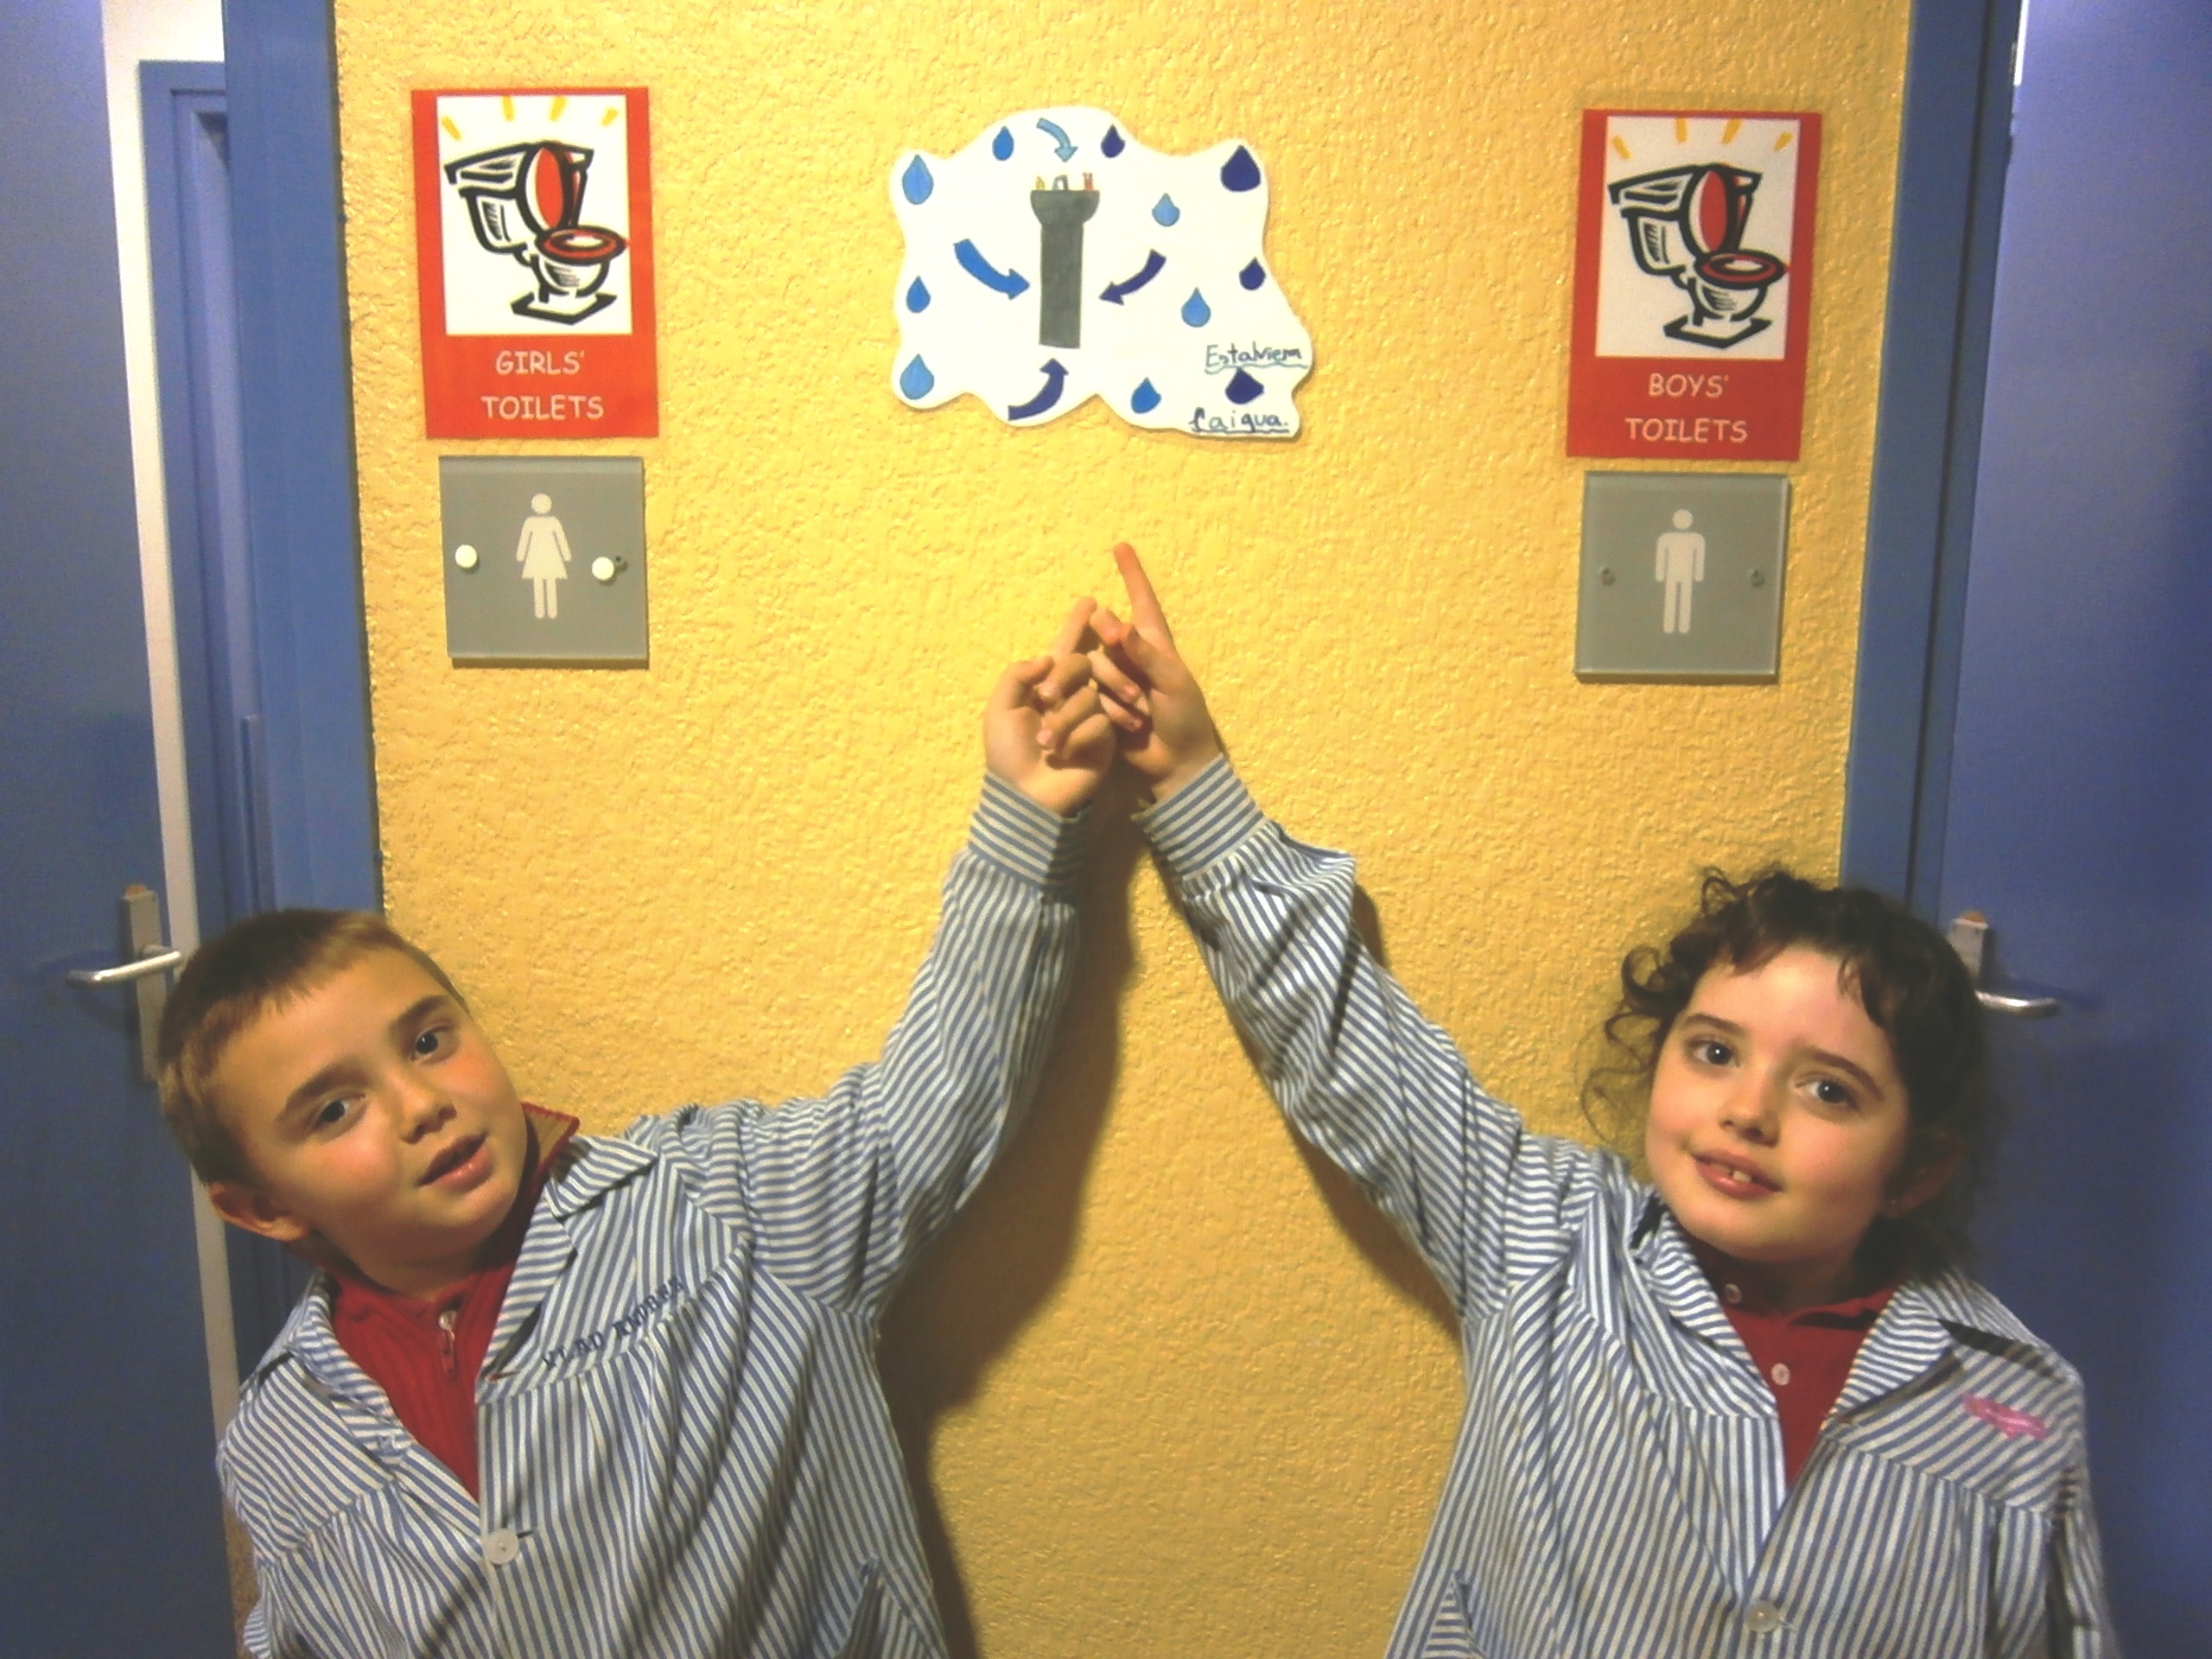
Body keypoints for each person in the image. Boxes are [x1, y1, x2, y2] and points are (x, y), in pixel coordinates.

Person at [1079, 543, 2112, 1656]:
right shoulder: (1546, 1239)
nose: (1748, 1111)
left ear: (1916, 1168)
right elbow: (1349, 1041)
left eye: (1827, 1088)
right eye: (1713, 1052)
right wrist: (1190, 781)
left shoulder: (2014, 1408)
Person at [156, 607, 1116, 1658]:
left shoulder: (721, 1207)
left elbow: (928, 1106)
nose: (419, 1103)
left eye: (429, 1041)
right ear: (260, 1206)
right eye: (335, 1110)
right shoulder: (277, 1441)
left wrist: (1025, 822)